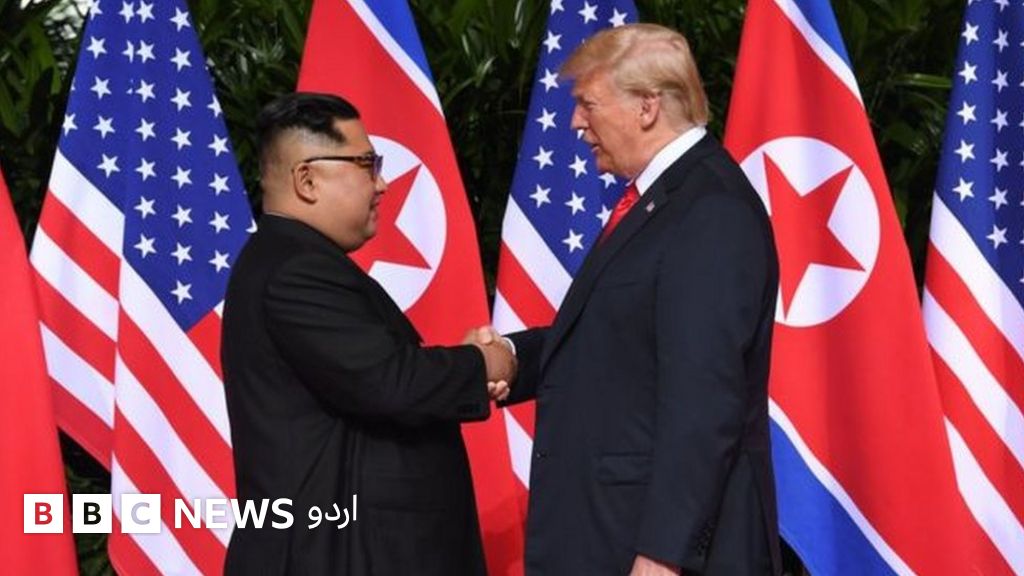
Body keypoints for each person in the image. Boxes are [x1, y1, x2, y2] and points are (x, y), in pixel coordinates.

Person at [474, 24, 781, 575]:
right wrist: (512, 358)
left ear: (647, 106)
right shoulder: (660, 201)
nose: (575, 122)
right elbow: (617, 340)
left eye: (588, 104)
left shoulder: (710, 210)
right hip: (609, 534)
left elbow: (704, 401)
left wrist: (664, 554)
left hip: (655, 550)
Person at [221, 92, 514, 575]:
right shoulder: (296, 271)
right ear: (307, 179)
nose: (382, 184)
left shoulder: (290, 259)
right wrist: (487, 362)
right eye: (367, 164)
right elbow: (390, 382)